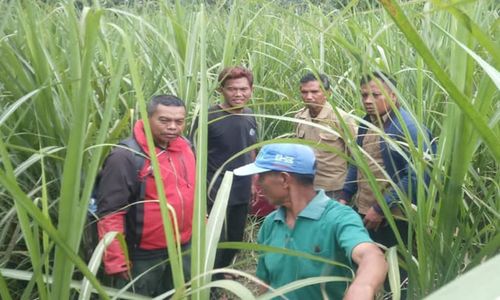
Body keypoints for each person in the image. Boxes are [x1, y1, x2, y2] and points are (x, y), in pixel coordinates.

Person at [234, 143, 387, 300]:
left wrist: (362, 287)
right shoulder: (270, 224)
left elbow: (371, 256)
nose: (257, 183)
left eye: (261, 176)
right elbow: (264, 283)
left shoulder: (339, 218)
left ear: (284, 179)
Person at [96, 95, 195, 297]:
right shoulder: (126, 156)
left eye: (179, 121)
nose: (173, 127)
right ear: (147, 118)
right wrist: (115, 258)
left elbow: (192, 192)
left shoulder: (185, 147)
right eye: (164, 120)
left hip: (183, 248)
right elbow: (110, 212)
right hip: (143, 255)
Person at [339, 71, 435, 248]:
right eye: (364, 95)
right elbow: (358, 160)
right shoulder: (367, 123)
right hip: (363, 210)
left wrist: (381, 208)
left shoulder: (409, 128)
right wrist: (345, 195)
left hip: (393, 216)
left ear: (392, 95)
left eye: (375, 95)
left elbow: (417, 176)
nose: (367, 100)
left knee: (395, 267)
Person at [190, 66, 258, 278]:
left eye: (243, 89)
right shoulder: (208, 117)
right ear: (221, 90)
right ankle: (211, 283)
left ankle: (221, 273)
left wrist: (254, 182)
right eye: (232, 89)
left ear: (251, 90)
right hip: (214, 191)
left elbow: (252, 149)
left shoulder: (250, 115)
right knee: (213, 240)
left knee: (234, 238)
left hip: (242, 190)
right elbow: (192, 155)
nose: (238, 94)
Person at [295, 72, 357, 199]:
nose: (309, 96)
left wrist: (348, 193)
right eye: (304, 92)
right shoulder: (299, 118)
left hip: (333, 190)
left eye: (314, 92)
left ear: (328, 94)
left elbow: (357, 157)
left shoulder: (341, 119)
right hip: (306, 187)